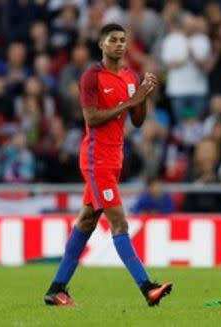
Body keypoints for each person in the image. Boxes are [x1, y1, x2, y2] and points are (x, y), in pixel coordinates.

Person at [44, 24, 172, 307]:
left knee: (87, 221)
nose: (119, 44)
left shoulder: (129, 76)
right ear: (101, 44)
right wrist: (131, 100)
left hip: (115, 158)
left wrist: (143, 97)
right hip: (95, 158)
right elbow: (91, 118)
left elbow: (137, 121)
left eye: (123, 40)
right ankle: (147, 287)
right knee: (119, 222)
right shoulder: (92, 77)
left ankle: (57, 289)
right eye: (113, 40)